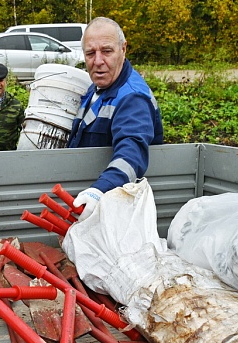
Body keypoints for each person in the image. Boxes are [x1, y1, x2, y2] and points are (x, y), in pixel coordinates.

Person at [66, 17, 164, 221]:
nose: (98, 61)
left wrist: (99, 190)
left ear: (123, 49)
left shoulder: (132, 97)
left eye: (107, 51)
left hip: (117, 212)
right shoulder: (97, 89)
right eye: (90, 53)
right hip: (94, 207)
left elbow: (131, 153)